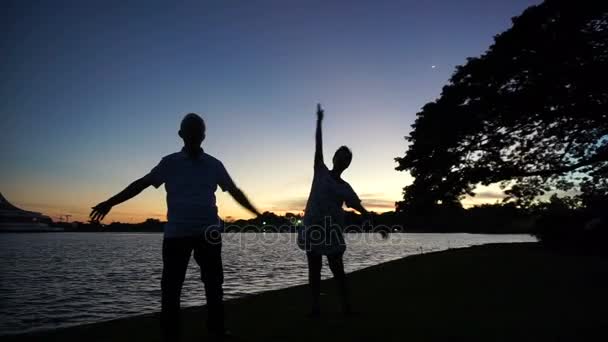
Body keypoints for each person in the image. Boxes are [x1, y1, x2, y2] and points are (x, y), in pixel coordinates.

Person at [90, 113, 261, 340]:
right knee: (171, 288)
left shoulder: (214, 164)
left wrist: (256, 214)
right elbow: (141, 184)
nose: (194, 134)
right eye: (190, 130)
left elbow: (235, 190)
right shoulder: (169, 163)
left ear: (204, 135)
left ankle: (217, 331)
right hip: (176, 234)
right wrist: (110, 202)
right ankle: (171, 335)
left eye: (198, 130)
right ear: (181, 134)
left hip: (208, 233)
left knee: (213, 285)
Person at [298, 104, 371, 317]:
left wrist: (368, 217)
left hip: (331, 232)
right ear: (334, 158)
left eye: (345, 158)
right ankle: (315, 307)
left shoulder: (345, 188)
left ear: (347, 164)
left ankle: (346, 306)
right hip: (313, 227)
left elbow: (357, 206)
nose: (341, 159)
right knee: (314, 269)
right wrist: (319, 122)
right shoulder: (319, 170)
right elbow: (317, 146)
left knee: (337, 270)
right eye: (339, 155)